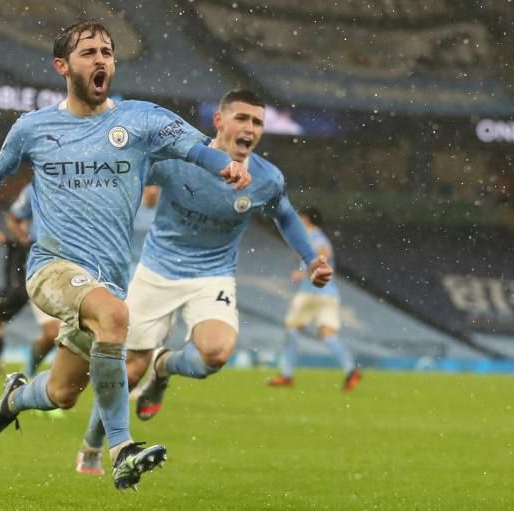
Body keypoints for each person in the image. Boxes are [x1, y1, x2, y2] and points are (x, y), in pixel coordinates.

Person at [0, 20, 250, 491]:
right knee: (116, 316)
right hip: (52, 269)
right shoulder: (34, 128)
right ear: (62, 66)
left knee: (61, 393)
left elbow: (198, 149)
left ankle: (14, 398)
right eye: (89, 51)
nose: (101, 59)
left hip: (104, 280)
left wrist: (229, 166)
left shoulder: (141, 120)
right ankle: (122, 451)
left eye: (107, 52)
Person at [74, 89, 333, 475]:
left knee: (216, 353)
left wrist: (311, 259)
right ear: (219, 121)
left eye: (257, 122)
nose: (250, 128)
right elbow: (130, 173)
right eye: (242, 118)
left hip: (212, 275)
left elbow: (287, 217)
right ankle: (93, 448)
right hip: (157, 271)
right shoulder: (179, 157)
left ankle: (164, 367)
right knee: (127, 371)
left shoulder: (265, 179)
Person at [0, 183, 60, 377]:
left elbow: (1, 237)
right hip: (17, 290)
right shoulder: (27, 241)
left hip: (15, 290)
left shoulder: (25, 242)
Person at [267, 207, 362, 391]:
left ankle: (287, 374)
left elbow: (325, 254)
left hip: (311, 292)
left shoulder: (314, 236)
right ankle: (351, 369)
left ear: (306, 219)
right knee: (328, 334)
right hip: (329, 293)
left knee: (292, 329)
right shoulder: (313, 236)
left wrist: (304, 272)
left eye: (299, 217)